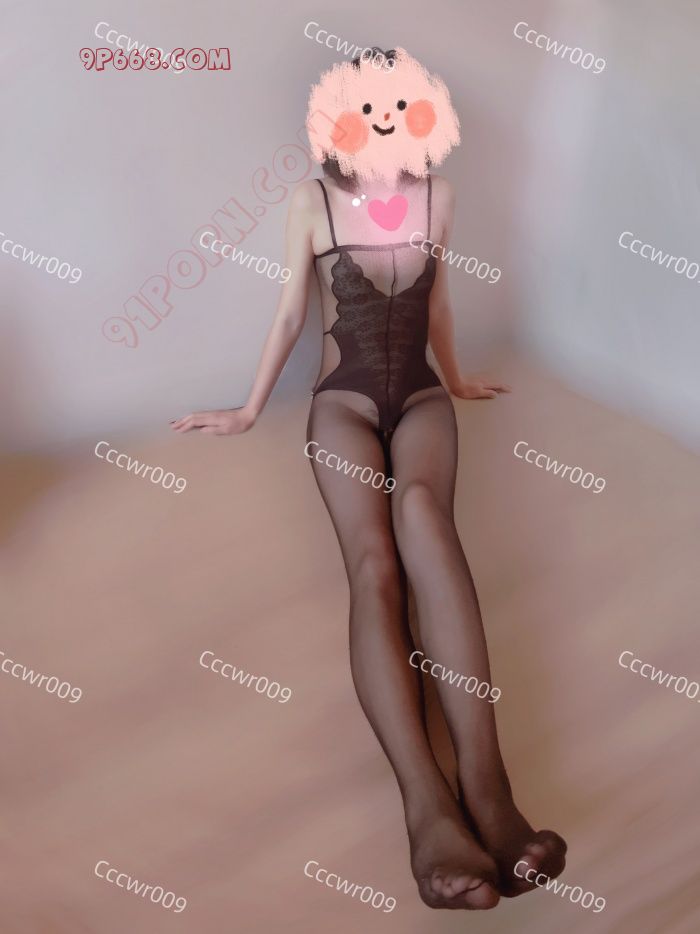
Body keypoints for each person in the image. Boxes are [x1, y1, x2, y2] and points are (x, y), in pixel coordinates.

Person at [172, 46, 566, 911]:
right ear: (338, 119)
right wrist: (247, 410)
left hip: (421, 398)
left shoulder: (437, 197)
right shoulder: (310, 201)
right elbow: (290, 311)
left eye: (398, 105)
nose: (383, 119)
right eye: (366, 106)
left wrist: (458, 380)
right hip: (342, 407)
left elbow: (440, 304)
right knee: (376, 565)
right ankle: (428, 809)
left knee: (423, 514)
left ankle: (491, 794)